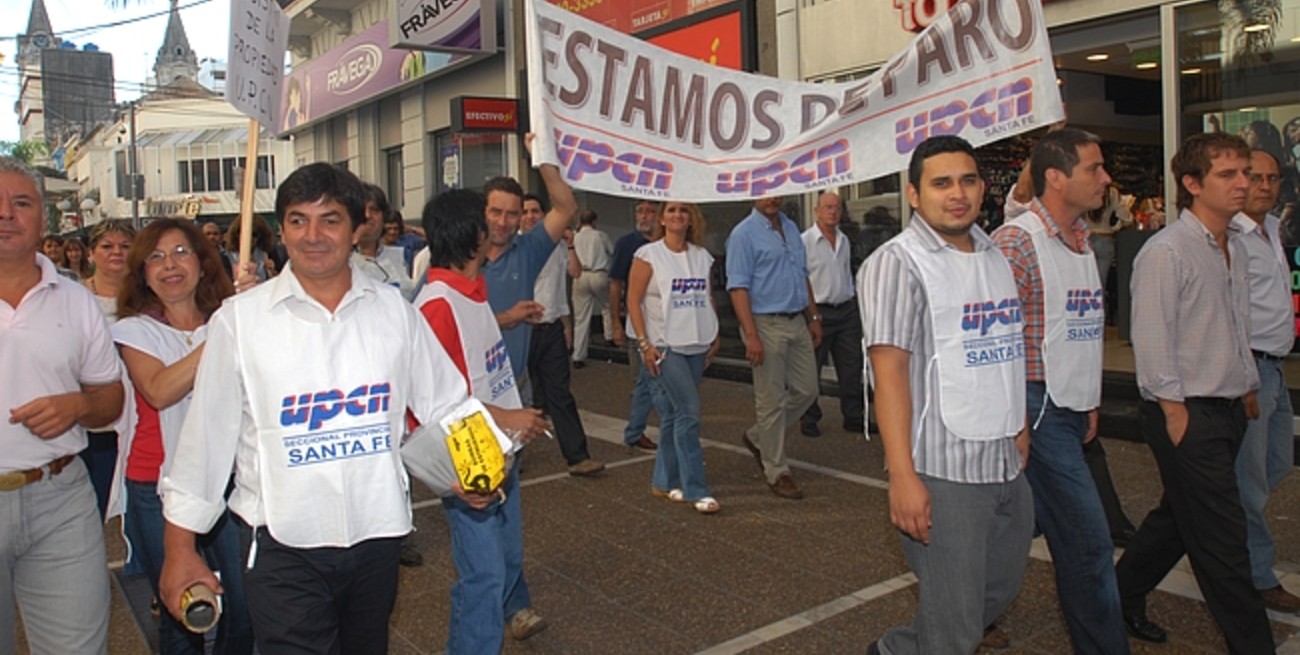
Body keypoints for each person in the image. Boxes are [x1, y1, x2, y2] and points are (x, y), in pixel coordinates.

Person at [156, 163, 472, 654]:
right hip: (281, 546)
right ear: (281, 229)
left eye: (329, 219)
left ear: (356, 226)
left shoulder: (394, 313)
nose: (313, 235)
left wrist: (479, 474)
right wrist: (180, 550)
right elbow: (205, 442)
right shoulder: (240, 322)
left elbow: (449, 406)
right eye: (298, 220)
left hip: (377, 536)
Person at [860, 136, 1032, 655]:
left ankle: (897, 650)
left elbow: (1005, 346)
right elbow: (888, 375)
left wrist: (1020, 425)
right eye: (941, 183)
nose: (957, 193)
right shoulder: (898, 263)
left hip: (1003, 459)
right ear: (914, 194)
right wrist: (903, 476)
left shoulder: (994, 253)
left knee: (994, 591)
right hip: (942, 469)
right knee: (956, 630)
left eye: (967, 180)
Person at [1115, 132, 1274, 652]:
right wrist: (1174, 413)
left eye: (1245, 173)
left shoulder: (1237, 246)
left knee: (1181, 521)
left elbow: (1233, 323)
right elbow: (1153, 339)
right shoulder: (1167, 251)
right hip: (1186, 413)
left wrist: (1247, 385)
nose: (1242, 183)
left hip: (1227, 408)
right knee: (1223, 542)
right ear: (1191, 183)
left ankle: (1118, 594)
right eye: (1228, 174)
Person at [991, 128, 1129, 654]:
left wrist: (1088, 398)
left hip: (1068, 407)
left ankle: (965, 603)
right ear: (1055, 177)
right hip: (1037, 408)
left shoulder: (1081, 240)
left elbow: (1081, 328)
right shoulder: (1016, 242)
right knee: (1089, 545)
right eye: (1093, 169)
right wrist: (1020, 419)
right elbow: (999, 339)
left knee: (1017, 527)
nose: (1105, 178)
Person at [413, 188, 553, 653]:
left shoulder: (470, 294)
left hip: (497, 453)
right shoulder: (438, 306)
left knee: (501, 564)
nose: (498, 224)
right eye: (487, 217)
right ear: (473, 234)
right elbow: (440, 405)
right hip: (467, 466)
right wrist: (508, 416)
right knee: (485, 575)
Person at [109, 218, 255, 655]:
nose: (169, 265)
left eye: (180, 253)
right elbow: (160, 389)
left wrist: (256, 306)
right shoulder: (132, 330)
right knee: (183, 613)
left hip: (228, 481)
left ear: (203, 263)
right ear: (143, 273)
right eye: (155, 257)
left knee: (246, 608)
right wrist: (230, 330)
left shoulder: (230, 318)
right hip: (157, 488)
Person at [0, 156, 125, 655]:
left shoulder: (76, 301)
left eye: (21, 203)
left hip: (59, 497)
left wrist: (76, 406)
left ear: (44, 221)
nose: (6, 214)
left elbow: (110, 399)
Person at [481, 135, 603, 477]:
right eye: (495, 212)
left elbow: (565, 208)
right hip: (469, 391)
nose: (503, 222)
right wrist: (505, 318)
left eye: (511, 214)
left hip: (512, 388)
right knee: (478, 488)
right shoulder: (458, 256)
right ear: (482, 213)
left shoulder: (528, 250)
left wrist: (543, 158)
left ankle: (575, 456)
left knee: (504, 483)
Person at [1233, 148, 1300, 613]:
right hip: (1251, 370)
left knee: (1275, 464)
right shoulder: (1231, 237)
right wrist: (1243, 378)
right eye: (1255, 177)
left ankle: (1213, 521)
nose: (1264, 185)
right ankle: (1257, 575)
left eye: (1272, 178)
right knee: (1251, 482)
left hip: (1276, 366)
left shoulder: (1273, 228)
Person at [626, 201, 722, 514]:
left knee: (672, 415)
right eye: (671, 210)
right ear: (661, 218)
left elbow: (706, 297)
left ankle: (665, 480)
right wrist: (644, 343)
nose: (677, 215)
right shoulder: (648, 256)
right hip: (664, 346)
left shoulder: (701, 256)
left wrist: (715, 333)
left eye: (683, 210)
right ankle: (697, 488)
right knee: (689, 411)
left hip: (696, 344)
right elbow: (633, 299)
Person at [726, 195, 822, 500]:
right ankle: (777, 471)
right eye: (766, 192)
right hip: (765, 323)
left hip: (796, 320)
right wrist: (750, 334)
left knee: (807, 390)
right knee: (770, 400)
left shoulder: (792, 227)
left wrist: (814, 315)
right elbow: (738, 287)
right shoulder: (742, 234)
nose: (773, 198)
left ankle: (757, 437)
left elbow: (802, 276)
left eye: (778, 191)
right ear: (754, 194)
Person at [520, 194, 602, 473]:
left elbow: (574, 274)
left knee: (561, 395)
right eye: (525, 212)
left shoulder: (556, 245)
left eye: (535, 211)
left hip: (552, 327)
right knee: (515, 396)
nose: (530, 216)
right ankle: (509, 458)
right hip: (520, 330)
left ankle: (578, 457)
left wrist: (567, 325)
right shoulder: (512, 247)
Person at [79, 219, 137, 518]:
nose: (117, 252)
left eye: (125, 246)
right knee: (92, 508)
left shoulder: (147, 299)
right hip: (94, 425)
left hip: (137, 420)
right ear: (91, 253)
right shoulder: (74, 299)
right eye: (107, 246)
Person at [799, 190, 865, 437]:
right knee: (811, 369)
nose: (833, 212)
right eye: (827, 207)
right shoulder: (804, 242)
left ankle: (853, 416)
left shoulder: (844, 240)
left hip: (845, 310)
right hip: (819, 312)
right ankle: (809, 419)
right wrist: (812, 315)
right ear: (816, 210)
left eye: (837, 208)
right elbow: (802, 280)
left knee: (851, 367)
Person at [609, 200, 661, 452]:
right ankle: (670, 425)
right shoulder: (627, 244)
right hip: (638, 327)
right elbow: (616, 284)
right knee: (651, 381)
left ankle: (634, 430)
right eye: (640, 210)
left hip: (666, 326)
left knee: (646, 382)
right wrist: (615, 323)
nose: (644, 215)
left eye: (650, 211)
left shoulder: (668, 243)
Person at [352, 184, 415, 301]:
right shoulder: (341, 262)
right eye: (362, 210)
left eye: (374, 210)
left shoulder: (400, 256)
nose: (368, 215)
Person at [570, 209, 613, 367]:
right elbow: (612, 252)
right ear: (594, 222)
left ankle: (578, 356)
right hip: (599, 274)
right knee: (607, 306)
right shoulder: (600, 236)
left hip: (580, 275)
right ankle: (609, 338)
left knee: (581, 318)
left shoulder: (575, 237)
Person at [224, 215, 274, 282]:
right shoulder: (225, 258)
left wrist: (272, 272)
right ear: (236, 234)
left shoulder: (267, 254)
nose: (249, 237)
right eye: (243, 233)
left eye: (254, 234)